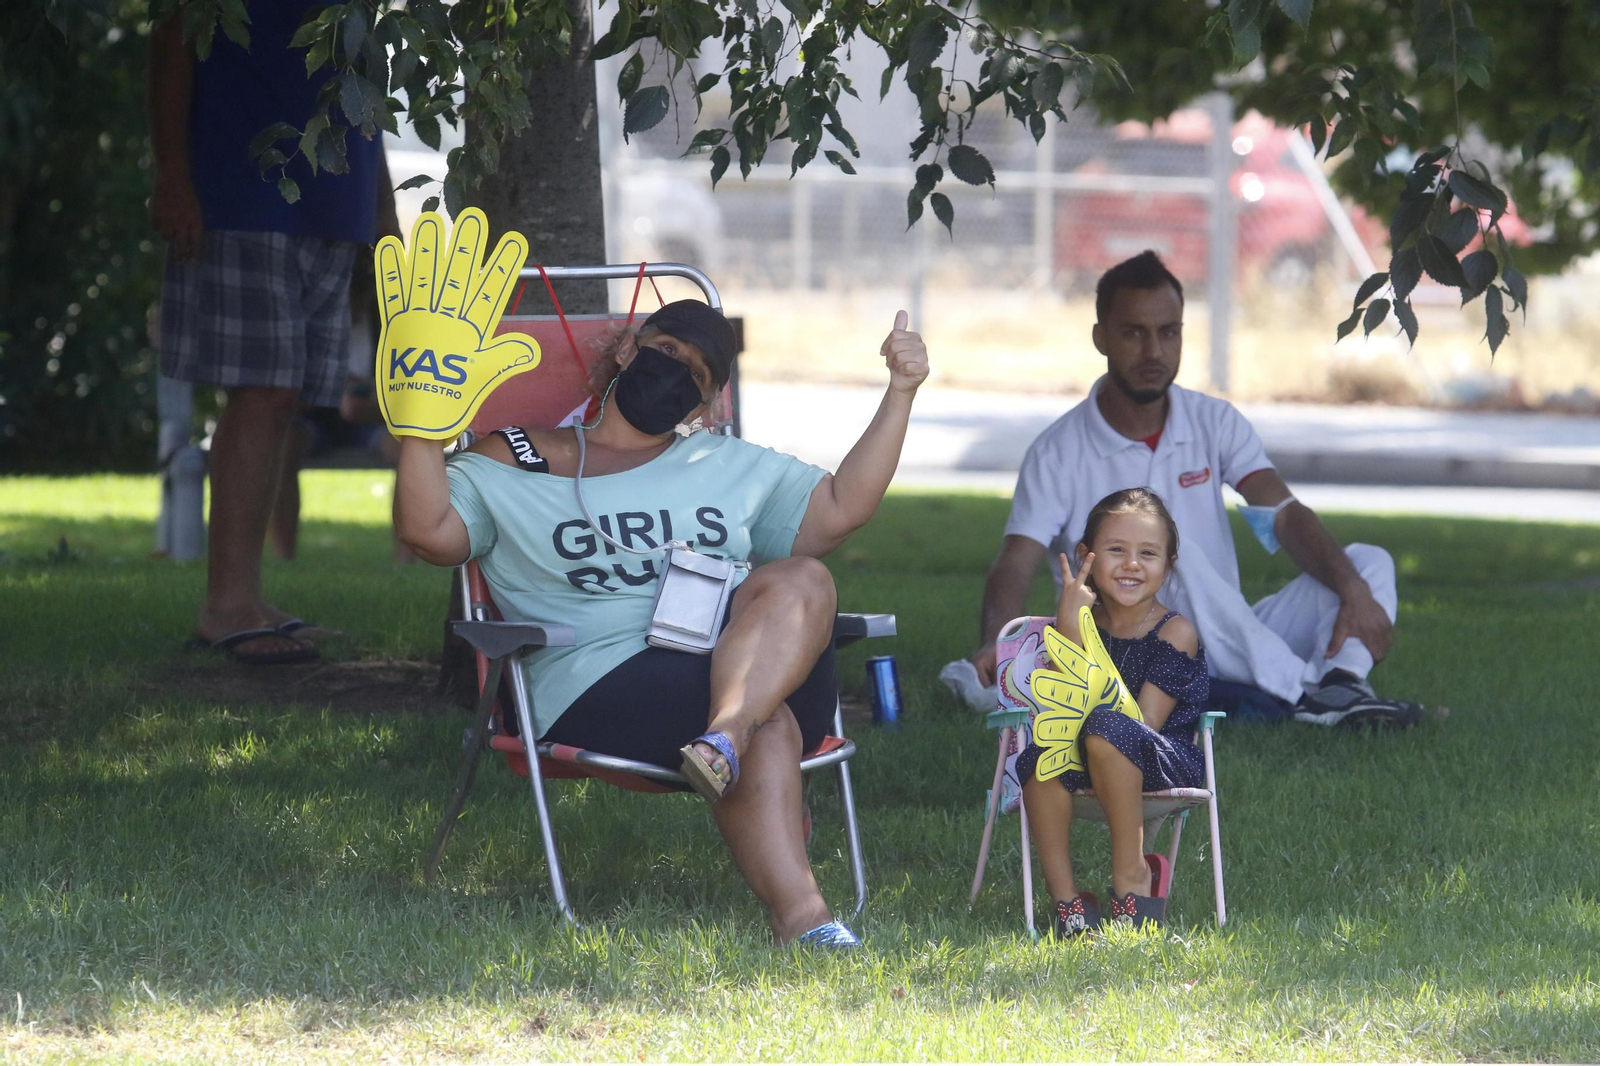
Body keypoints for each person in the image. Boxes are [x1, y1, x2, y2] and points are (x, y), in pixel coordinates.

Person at [393, 300, 930, 946]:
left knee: (806, 579)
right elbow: (428, 532)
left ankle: (725, 737)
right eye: (668, 351)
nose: (676, 371)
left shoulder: (724, 465)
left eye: (697, 373)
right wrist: (419, 428)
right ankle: (804, 918)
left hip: (746, 660)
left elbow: (842, 507)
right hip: (598, 681)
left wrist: (901, 392)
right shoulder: (518, 459)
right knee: (767, 723)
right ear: (628, 349)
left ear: (704, 404)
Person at [966, 251, 1423, 729]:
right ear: (1101, 338)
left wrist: (1352, 588)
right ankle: (1307, 696)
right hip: (1127, 652)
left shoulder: (1213, 421)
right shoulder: (1057, 451)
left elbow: (1284, 515)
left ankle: (1343, 684)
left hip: (1230, 636)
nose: (1154, 351)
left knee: (1367, 563)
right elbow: (1014, 563)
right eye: (1134, 333)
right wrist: (999, 644)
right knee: (1165, 553)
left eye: (1169, 332)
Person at [149, 0, 387, 664]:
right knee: (261, 391)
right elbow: (172, 40)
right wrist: (171, 172)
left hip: (335, 208)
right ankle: (224, 605)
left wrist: (382, 212)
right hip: (244, 194)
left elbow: (363, 86)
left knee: (285, 401)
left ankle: (247, 599)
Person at [1019, 489, 1207, 934]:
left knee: (1106, 728)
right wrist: (1070, 625)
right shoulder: (1079, 620)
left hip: (1158, 757)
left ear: (1169, 565)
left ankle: (1132, 873)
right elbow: (1063, 702)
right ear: (1086, 556)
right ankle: (1066, 901)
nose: (1132, 564)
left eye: (1148, 553)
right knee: (1041, 757)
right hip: (1088, 753)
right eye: (1116, 550)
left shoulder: (1175, 632)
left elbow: (1143, 723)